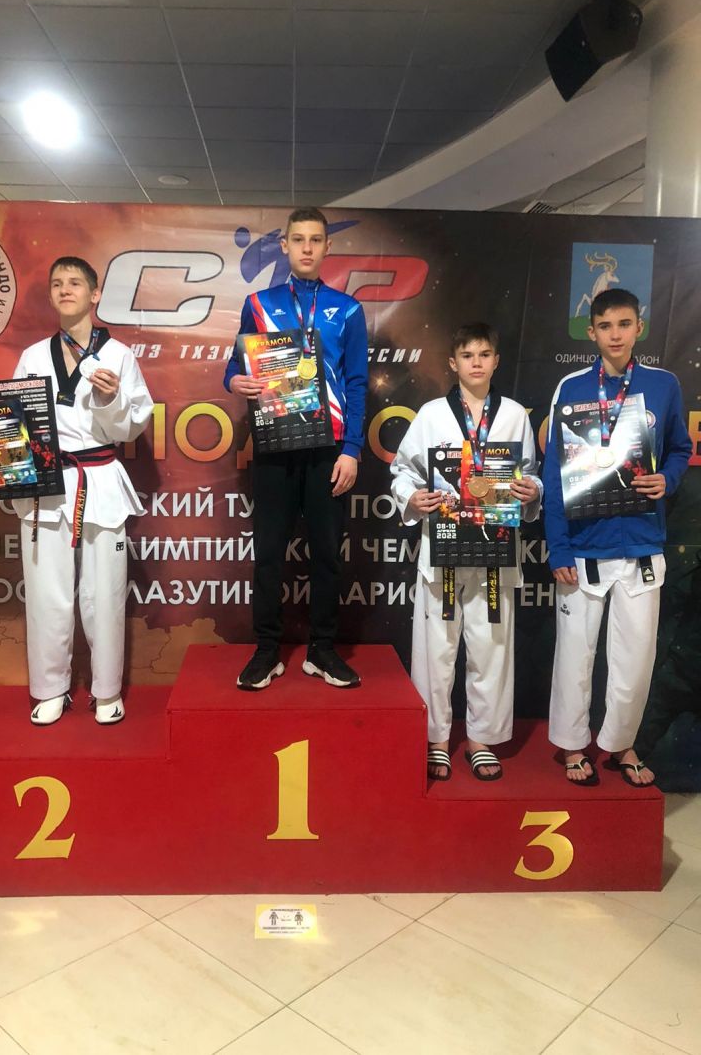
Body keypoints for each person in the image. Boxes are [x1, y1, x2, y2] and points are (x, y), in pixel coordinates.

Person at [0, 256, 153, 725]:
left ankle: (107, 690)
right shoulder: (33, 356)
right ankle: (51, 688)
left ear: (95, 294)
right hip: (46, 484)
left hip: (99, 478)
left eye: (75, 283)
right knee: (47, 592)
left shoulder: (119, 355)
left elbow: (133, 426)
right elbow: (12, 421)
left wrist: (111, 400)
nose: (65, 289)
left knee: (103, 593)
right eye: (56, 284)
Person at [543, 287, 691, 785]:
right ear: (591, 332)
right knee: (575, 656)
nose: (615, 335)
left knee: (635, 658)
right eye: (605, 326)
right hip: (584, 543)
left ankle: (621, 744)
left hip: (642, 543)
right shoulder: (571, 387)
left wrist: (668, 479)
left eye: (624, 324)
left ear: (639, 328)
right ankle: (572, 745)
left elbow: (679, 448)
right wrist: (558, 547)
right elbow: (553, 473)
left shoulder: (663, 385)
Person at [223, 208, 368, 690]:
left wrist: (351, 449)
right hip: (275, 442)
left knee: (327, 552)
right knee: (268, 552)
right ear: (284, 245)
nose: (307, 247)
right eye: (298, 239)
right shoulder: (258, 303)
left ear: (328, 247)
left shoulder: (347, 309)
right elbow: (234, 367)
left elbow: (357, 382)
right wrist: (236, 381)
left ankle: (321, 650)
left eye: (316, 239)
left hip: (329, 448)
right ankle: (267, 650)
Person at [390, 323, 542, 781]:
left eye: (484, 354)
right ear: (453, 363)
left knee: (491, 647)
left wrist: (530, 490)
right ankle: (435, 739)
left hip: (495, 549)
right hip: (444, 549)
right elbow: (403, 471)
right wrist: (412, 498)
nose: (477, 362)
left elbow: (530, 473)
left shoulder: (513, 415)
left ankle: (482, 739)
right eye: (467, 355)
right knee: (435, 650)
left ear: (497, 361)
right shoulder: (432, 414)